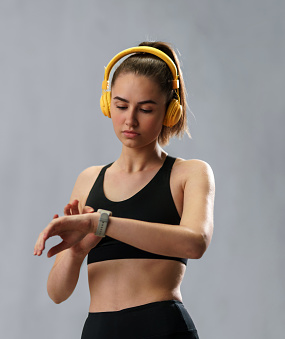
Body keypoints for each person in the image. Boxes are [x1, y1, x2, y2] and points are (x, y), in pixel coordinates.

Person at [33, 41, 215, 339]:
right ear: (107, 105)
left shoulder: (189, 173)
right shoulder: (89, 179)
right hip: (98, 331)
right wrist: (78, 252)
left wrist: (101, 223)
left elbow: (195, 243)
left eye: (145, 109)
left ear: (170, 111)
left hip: (161, 330)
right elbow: (57, 293)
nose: (130, 120)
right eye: (120, 106)